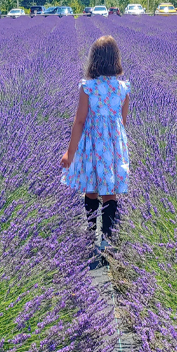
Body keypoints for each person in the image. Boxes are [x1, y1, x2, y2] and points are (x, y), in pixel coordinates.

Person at [61, 35, 131, 258]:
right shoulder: (122, 88)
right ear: (116, 60)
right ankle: (107, 240)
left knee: (91, 189)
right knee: (110, 193)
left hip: (92, 144)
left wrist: (70, 152)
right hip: (113, 145)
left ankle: (91, 234)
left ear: (94, 61)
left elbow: (79, 121)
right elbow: (123, 121)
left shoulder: (88, 87)